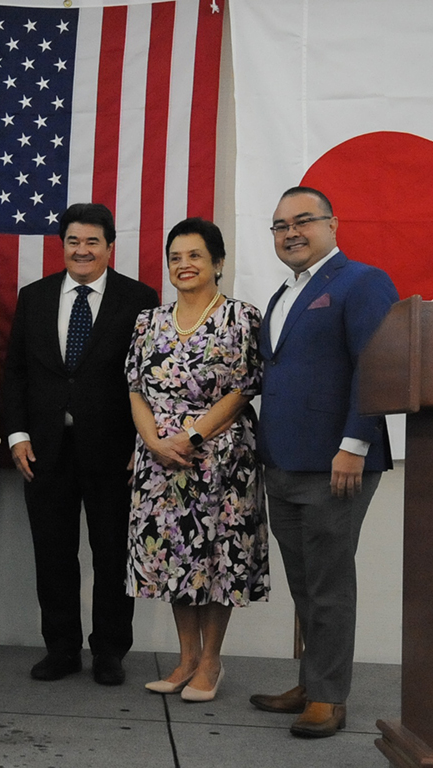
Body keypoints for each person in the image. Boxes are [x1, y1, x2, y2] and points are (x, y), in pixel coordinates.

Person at [249, 186, 398, 737]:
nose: (290, 232)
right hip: (283, 461)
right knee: (306, 583)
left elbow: (375, 367)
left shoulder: (362, 282)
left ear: (333, 224)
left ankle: (330, 699)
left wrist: (354, 444)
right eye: (279, 224)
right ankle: (314, 680)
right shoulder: (283, 294)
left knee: (330, 585)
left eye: (303, 220)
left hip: (337, 461)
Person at [1, 203, 159, 684]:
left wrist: (143, 441)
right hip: (45, 449)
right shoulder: (35, 296)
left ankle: (110, 652)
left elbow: (149, 376)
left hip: (115, 449)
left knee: (112, 553)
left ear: (110, 246)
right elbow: (16, 372)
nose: (82, 250)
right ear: (62, 245)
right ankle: (62, 648)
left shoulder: (139, 298)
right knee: (53, 553)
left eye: (92, 241)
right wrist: (18, 434)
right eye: (73, 241)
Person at [126, 218, 269, 702]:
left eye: (194, 256)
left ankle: (211, 661)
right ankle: (186, 657)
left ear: (218, 263)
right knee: (172, 558)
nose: (184, 265)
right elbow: (135, 389)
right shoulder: (149, 320)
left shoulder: (241, 317)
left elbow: (244, 386)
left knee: (216, 558)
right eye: (176, 257)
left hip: (220, 457)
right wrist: (155, 442)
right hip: (159, 459)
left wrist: (190, 436)